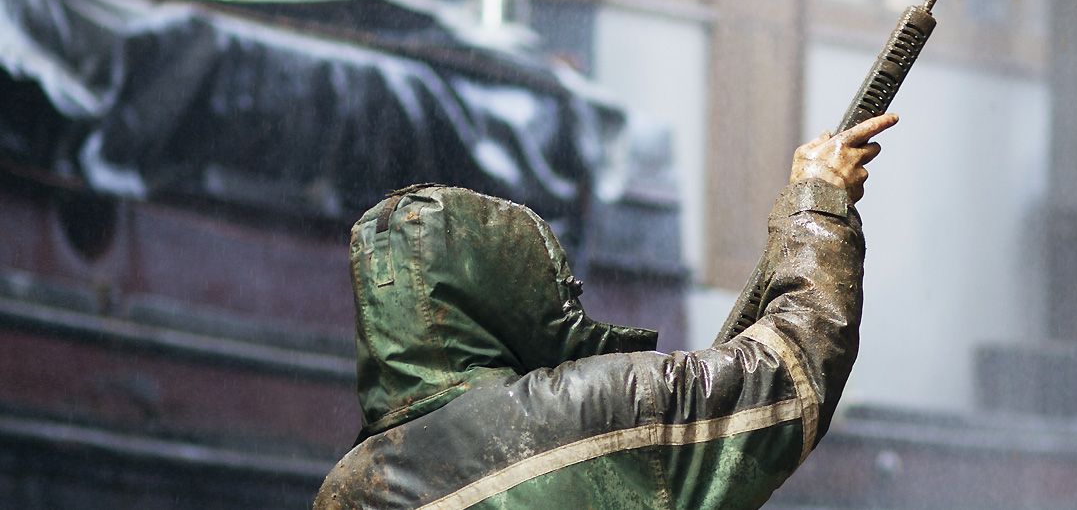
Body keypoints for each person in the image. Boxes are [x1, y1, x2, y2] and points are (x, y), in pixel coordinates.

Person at [312, 113, 898, 510]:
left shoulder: (347, 491)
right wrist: (819, 201)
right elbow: (788, 373)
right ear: (507, 294)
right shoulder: (588, 409)